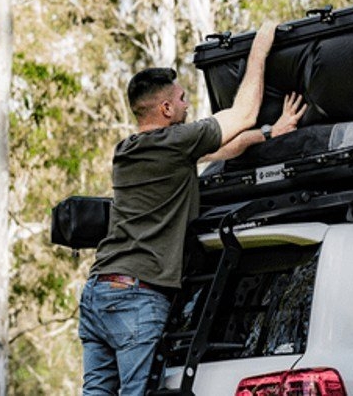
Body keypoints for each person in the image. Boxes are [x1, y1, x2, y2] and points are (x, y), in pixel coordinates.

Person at [77, 22, 307, 395]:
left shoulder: (129, 150)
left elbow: (224, 148)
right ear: (166, 108)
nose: (187, 105)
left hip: (99, 292)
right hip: (136, 298)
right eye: (182, 99)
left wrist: (270, 133)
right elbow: (243, 114)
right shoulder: (175, 142)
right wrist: (260, 47)